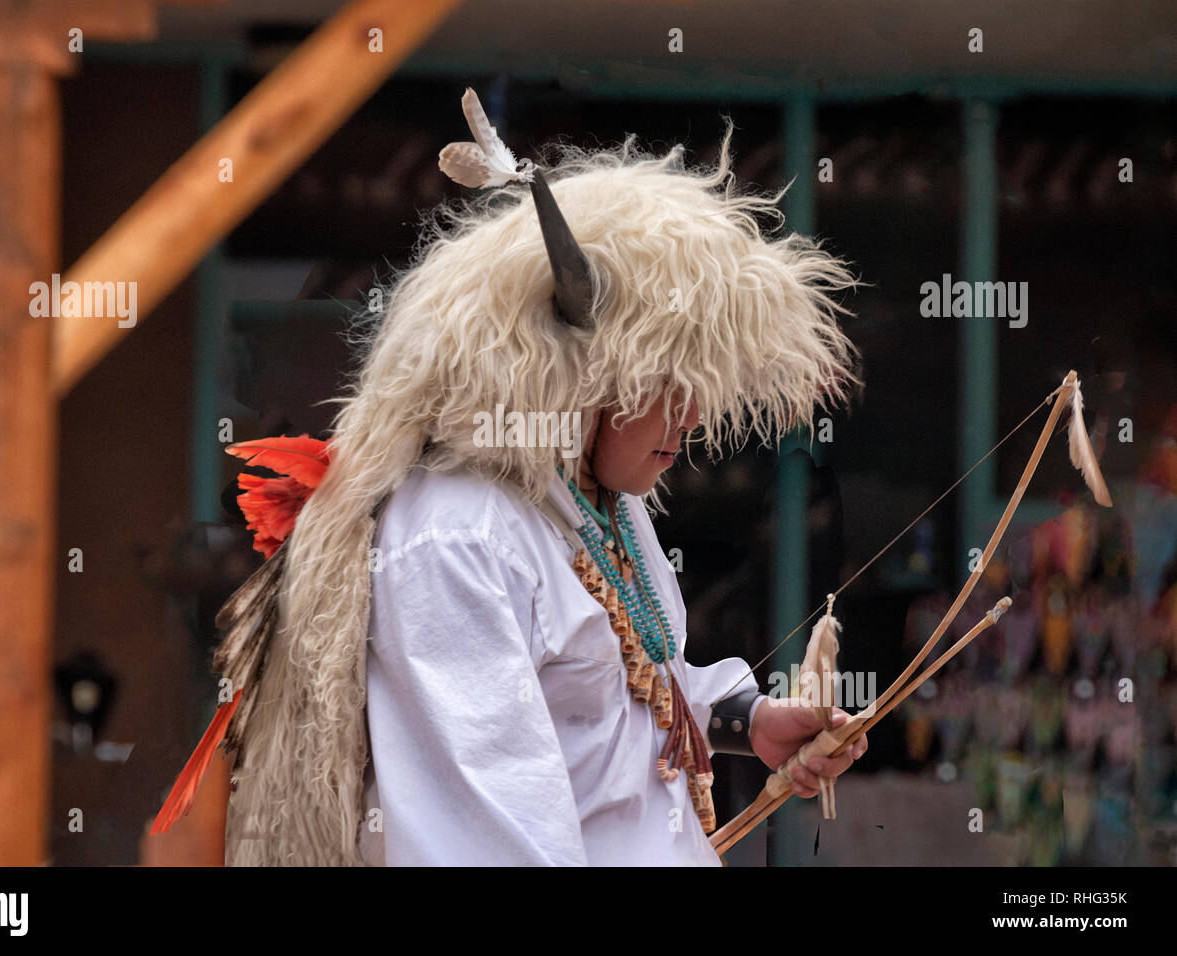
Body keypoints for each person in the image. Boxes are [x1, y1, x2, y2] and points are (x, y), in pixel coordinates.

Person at [209, 89, 869, 865]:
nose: (693, 420)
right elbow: (488, 839)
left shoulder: (596, 504)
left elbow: (622, 696)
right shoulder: (458, 534)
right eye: (670, 382)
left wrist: (747, 721)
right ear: (575, 368)